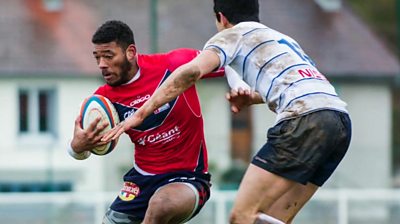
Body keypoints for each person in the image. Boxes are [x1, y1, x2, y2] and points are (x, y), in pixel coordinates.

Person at [102, 1, 352, 224]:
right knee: (274, 218)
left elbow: (190, 72)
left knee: (242, 216)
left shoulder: (230, 35)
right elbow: (304, 87)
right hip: (339, 121)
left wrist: (141, 113)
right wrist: (253, 98)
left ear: (221, 18)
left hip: (304, 120)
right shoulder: (283, 40)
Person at [67, 20, 237, 224]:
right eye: (97, 57)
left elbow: (232, 64)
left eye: (108, 56)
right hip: (141, 181)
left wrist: (243, 89)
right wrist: (77, 147)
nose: (102, 64)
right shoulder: (104, 99)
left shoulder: (174, 65)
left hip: (188, 178)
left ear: (130, 52)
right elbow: (82, 149)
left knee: (160, 206)